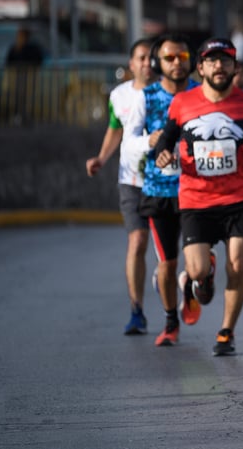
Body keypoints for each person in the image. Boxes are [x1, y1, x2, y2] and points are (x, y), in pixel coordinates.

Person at [154, 37, 243, 356]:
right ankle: (201, 274)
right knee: (195, 272)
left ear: (235, 68)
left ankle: (226, 332)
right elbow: (165, 141)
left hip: (239, 198)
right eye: (212, 61)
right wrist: (163, 155)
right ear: (201, 67)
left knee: (237, 265)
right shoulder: (183, 103)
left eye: (225, 61)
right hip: (196, 200)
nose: (219, 66)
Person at [125, 33, 199, 347]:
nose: (177, 64)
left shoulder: (201, 92)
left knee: (199, 263)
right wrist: (151, 142)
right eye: (169, 58)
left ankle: (194, 281)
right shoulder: (148, 96)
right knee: (167, 263)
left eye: (182, 58)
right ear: (158, 63)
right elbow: (130, 142)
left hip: (198, 190)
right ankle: (170, 322)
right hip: (159, 191)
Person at [85, 38, 156, 335]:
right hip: (131, 179)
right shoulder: (119, 96)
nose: (146, 63)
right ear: (131, 64)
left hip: (166, 179)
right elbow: (115, 129)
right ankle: (136, 309)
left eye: (151, 58)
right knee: (137, 241)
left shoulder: (169, 93)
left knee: (171, 251)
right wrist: (102, 157)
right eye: (140, 58)